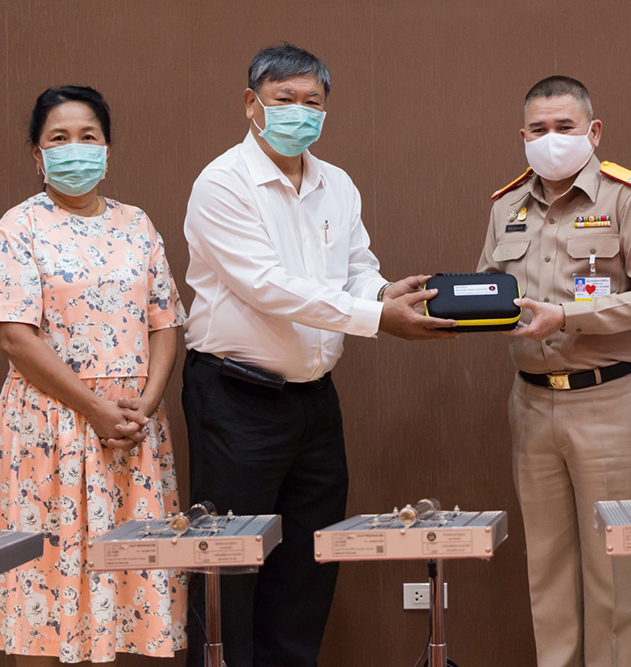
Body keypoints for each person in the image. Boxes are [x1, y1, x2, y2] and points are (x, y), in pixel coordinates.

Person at [181, 43, 457, 667]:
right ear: (251, 103)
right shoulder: (222, 182)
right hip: (235, 399)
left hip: (314, 403)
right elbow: (268, 286)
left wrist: (385, 295)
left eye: (313, 102)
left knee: (307, 569)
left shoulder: (338, 183)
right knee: (229, 571)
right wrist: (377, 319)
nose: (300, 113)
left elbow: (357, 269)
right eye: (284, 99)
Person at [477, 76, 631, 667]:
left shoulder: (629, 197)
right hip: (531, 403)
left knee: (614, 570)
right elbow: (488, 288)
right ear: (522, 136)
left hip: (607, 399)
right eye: (538, 129)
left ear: (593, 131)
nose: (551, 138)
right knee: (547, 568)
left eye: (565, 126)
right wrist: (450, 309)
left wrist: (567, 316)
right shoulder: (506, 206)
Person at [0, 86, 187, 664]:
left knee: (130, 594)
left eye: (88, 136)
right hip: (49, 430)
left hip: (130, 432)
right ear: (37, 153)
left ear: (107, 148)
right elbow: (14, 336)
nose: (75, 148)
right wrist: (93, 408)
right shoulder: (19, 227)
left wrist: (145, 405)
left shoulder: (137, 224)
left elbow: (164, 322)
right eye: (59, 138)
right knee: (45, 587)